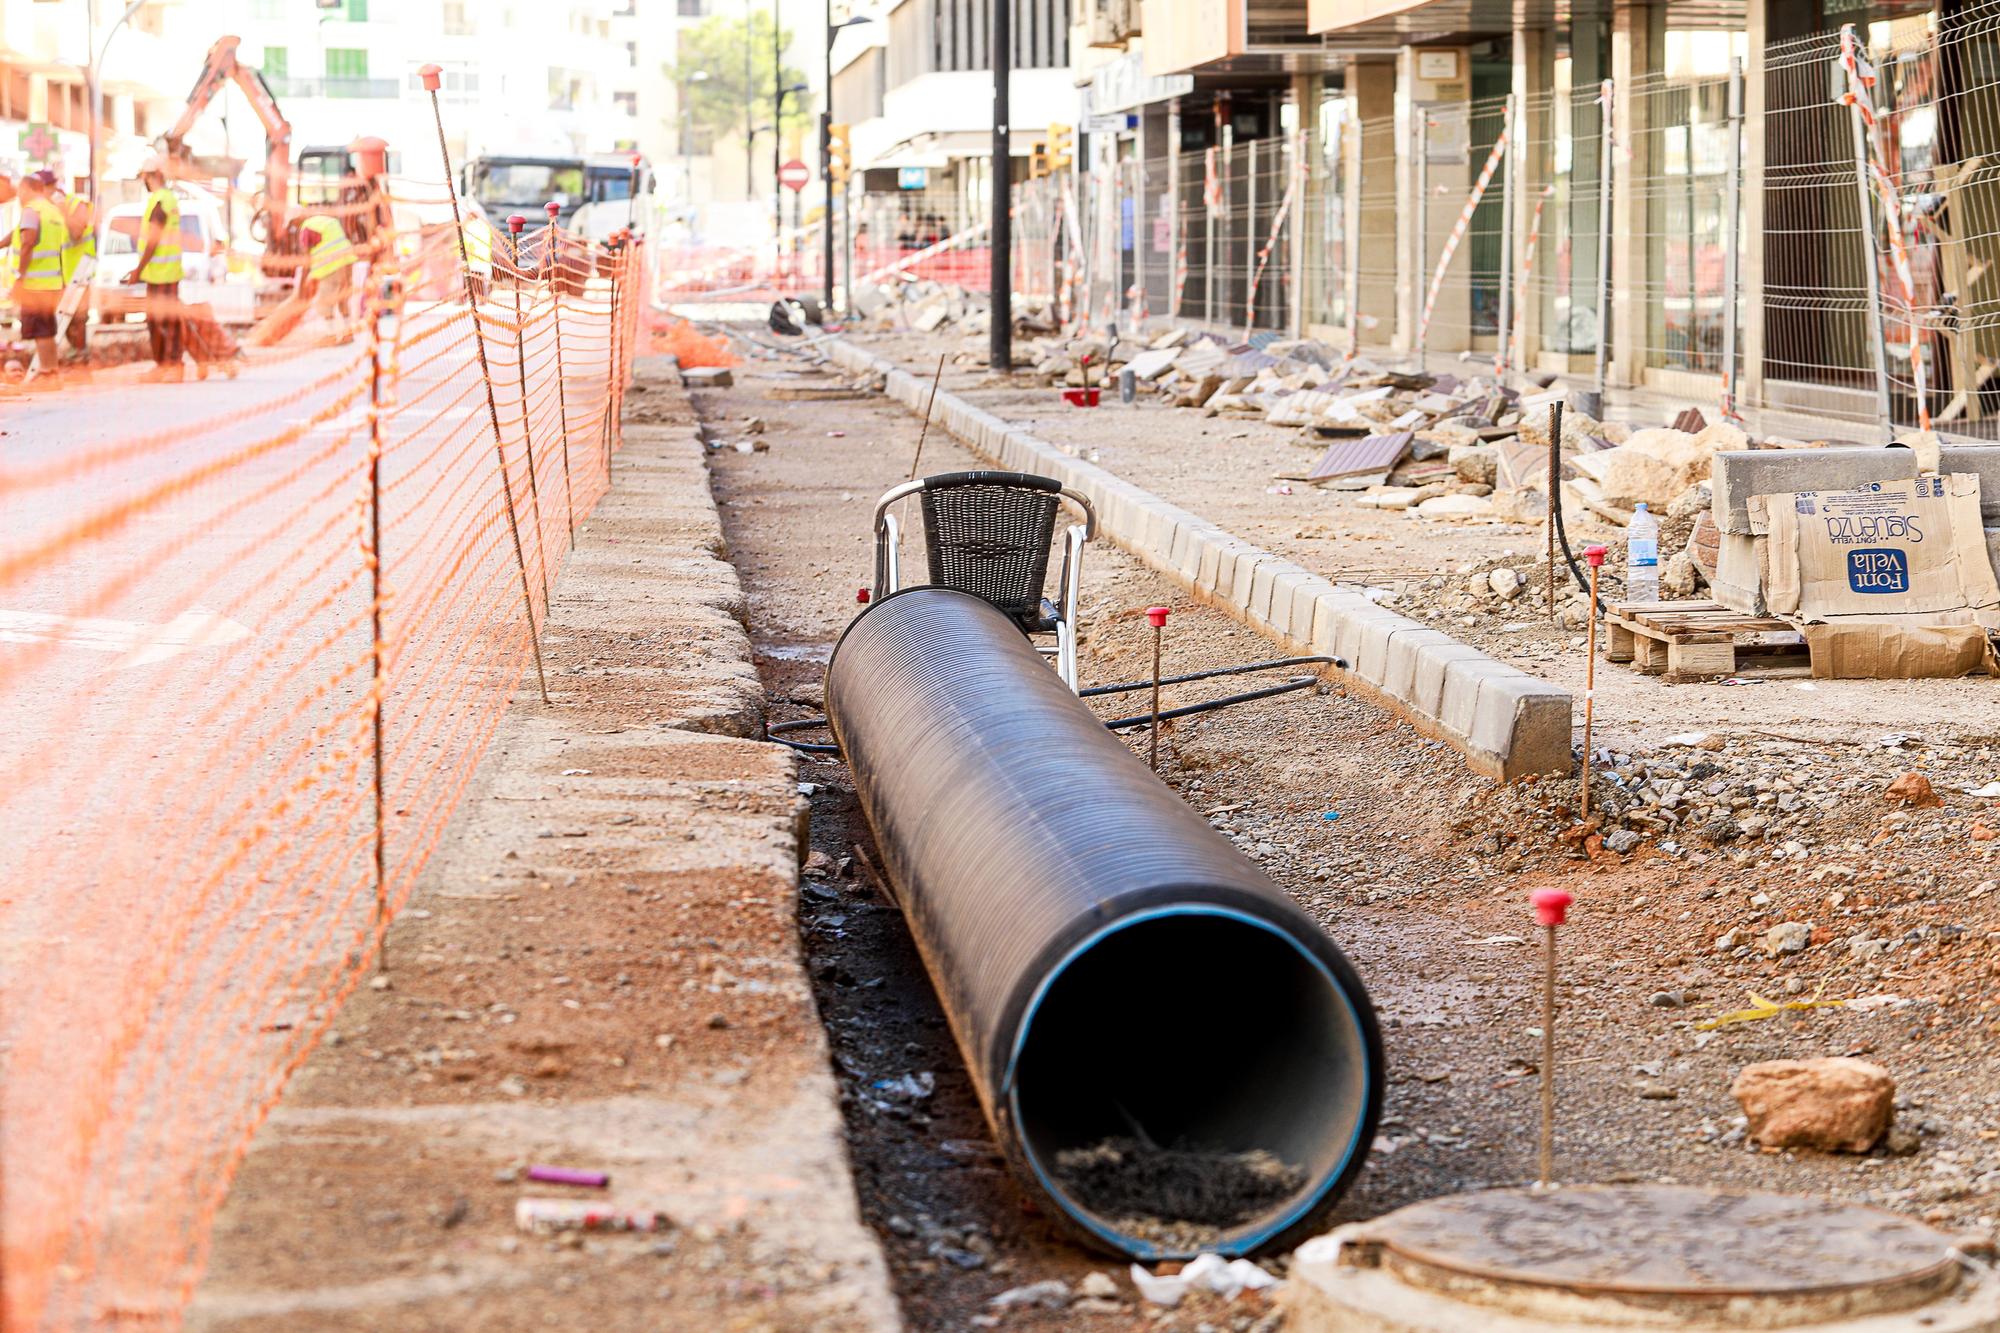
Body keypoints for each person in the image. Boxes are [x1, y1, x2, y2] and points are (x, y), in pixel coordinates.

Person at [7, 171, 69, 384]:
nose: (19, 196)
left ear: (27, 189)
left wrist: (19, 277)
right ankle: (51, 372)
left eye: (20, 192)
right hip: (51, 281)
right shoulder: (51, 211)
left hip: (34, 282)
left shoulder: (31, 210)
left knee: (40, 330)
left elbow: (27, 243)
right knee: (47, 329)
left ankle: (47, 373)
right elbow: (20, 234)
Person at [132, 158, 186, 382]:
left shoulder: (161, 200)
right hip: (166, 271)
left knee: (162, 321)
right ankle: (166, 365)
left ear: (151, 176)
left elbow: (153, 240)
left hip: (160, 273)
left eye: (144, 177)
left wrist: (138, 270)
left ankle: (170, 365)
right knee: (164, 320)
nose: (143, 181)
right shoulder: (168, 199)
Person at [60, 183, 96, 356]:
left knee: (77, 321)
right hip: (66, 276)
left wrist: (63, 213)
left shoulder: (76, 205)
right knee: (66, 322)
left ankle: (81, 356)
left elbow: (76, 233)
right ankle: (77, 354)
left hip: (80, 274)